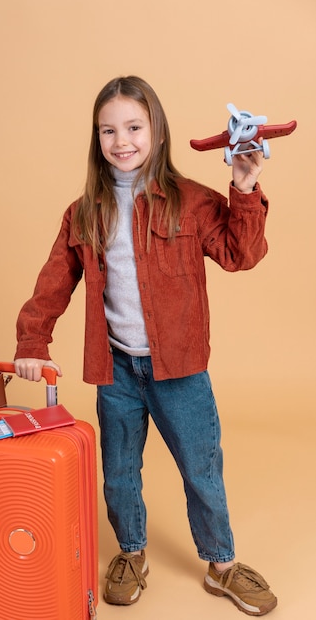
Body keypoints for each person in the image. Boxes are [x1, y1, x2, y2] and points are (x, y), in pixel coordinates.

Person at [14, 76, 277, 615]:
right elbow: (54, 281)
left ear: (156, 132)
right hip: (115, 368)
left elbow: (240, 254)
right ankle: (132, 553)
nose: (121, 140)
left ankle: (221, 563)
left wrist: (244, 187)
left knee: (202, 468)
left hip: (179, 368)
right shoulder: (85, 210)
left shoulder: (194, 201)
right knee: (118, 471)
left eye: (133, 127)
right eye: (108, 130)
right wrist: (32, 341)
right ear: (97, 138)